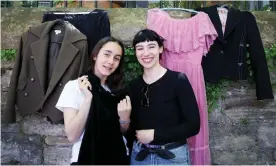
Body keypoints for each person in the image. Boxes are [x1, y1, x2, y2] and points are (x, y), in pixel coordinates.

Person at [127, 29, 200, 165]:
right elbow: (133, 128)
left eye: (151, 46)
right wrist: (124, 120)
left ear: (161, 49)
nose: (146, 53)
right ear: (135, 52)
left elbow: (193, 126)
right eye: (140, 48)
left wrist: (155, 135)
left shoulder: (178, 80)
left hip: (172, 157)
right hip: (140, 156)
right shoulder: (133, 86)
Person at [55, 36, 131, 165]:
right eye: (107, 54)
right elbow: (72, 135)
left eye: (116, 58)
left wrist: (124, 119)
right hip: (88, 157)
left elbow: (120, 132)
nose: (111, 61)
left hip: (118, 157)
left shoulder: (118, 91)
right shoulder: (75, 87)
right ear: (95, 55)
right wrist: (88, 98)